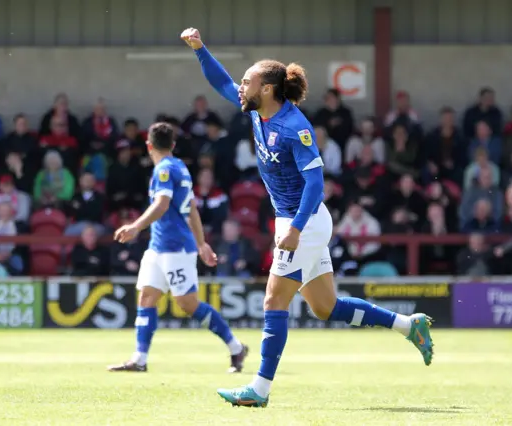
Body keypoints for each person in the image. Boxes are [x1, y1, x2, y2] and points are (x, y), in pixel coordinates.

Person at [181, 27, 434, 408]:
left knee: (273, 301)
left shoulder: (295, 127)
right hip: (299, 221)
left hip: (306, 220)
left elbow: (316, 185)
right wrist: (200, 49)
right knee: (325, 307)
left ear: (266, 89)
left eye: (247, 81)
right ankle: (407, 325)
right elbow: (221, 81)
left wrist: (296, 229)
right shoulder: (257, 111)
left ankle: (259, 390)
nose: (241, 87)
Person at [107, 122, 247, 374]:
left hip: (176, 249)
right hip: (159, 246)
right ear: (172, 145)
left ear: (149, 146)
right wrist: (202, 243)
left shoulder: (164, 170)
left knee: (188, 303)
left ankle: (236, 347)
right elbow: (191, 208)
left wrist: (135, 226)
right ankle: (139, 358)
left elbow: (161, 205)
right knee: (147, 297)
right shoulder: (181, 168)